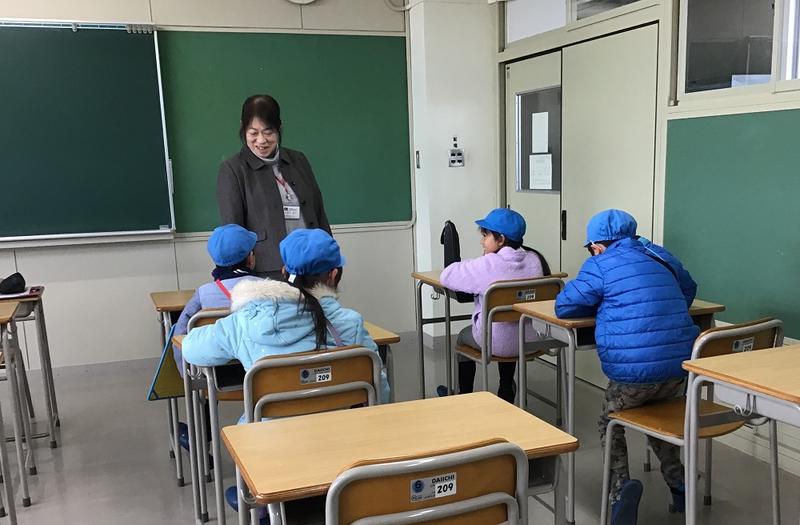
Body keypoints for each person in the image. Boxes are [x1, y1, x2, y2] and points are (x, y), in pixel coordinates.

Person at [555, 209, 699, 525]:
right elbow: (688, 289)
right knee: (656, 416)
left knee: (608, 420)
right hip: (680, 369)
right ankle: (679, 483)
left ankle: (620, 491)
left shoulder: (600, 264)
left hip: (633, 377)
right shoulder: (659, 255)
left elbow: (565, 305)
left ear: (597, 246)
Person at [439, 208, 550, 403]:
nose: (482, 241)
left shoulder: (488, 265)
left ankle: (464, 397)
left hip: (494, 343)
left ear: (501, 239)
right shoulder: (536, 259)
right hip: (531, 340)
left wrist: (478, 260)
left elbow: (447, 275)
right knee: (509, 328)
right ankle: (506, 388)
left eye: (485, 235)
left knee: (464, 337)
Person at [217, 94, 331, 279]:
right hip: (267, 270)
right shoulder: (233, 169)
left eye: (268, 132)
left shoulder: (298, 160)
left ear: (279, 128)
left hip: (313, 264)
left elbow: (318, 213)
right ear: (243, 129)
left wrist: (329, 255)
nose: (261, 140)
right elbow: (233, 232)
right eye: (253, 133)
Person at [173, 224, 260, 338]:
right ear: (250, 259)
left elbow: (180, 334)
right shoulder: (268, 289)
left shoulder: (203, 293)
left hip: (216, 349)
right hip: (256, 349)